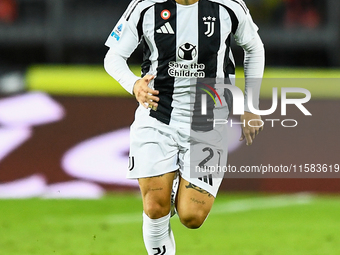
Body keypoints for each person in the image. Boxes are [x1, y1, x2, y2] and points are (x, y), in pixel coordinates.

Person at [104, 0, 264, 254]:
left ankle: (173, 181)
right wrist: (134, 84)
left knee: (193, 216)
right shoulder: (146, 6)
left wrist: (250, 105)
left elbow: (254, 48)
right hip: (158, 115)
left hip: (208, 119)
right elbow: (113, 57)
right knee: (156, 205)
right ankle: (163, 185)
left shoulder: (229, 6)